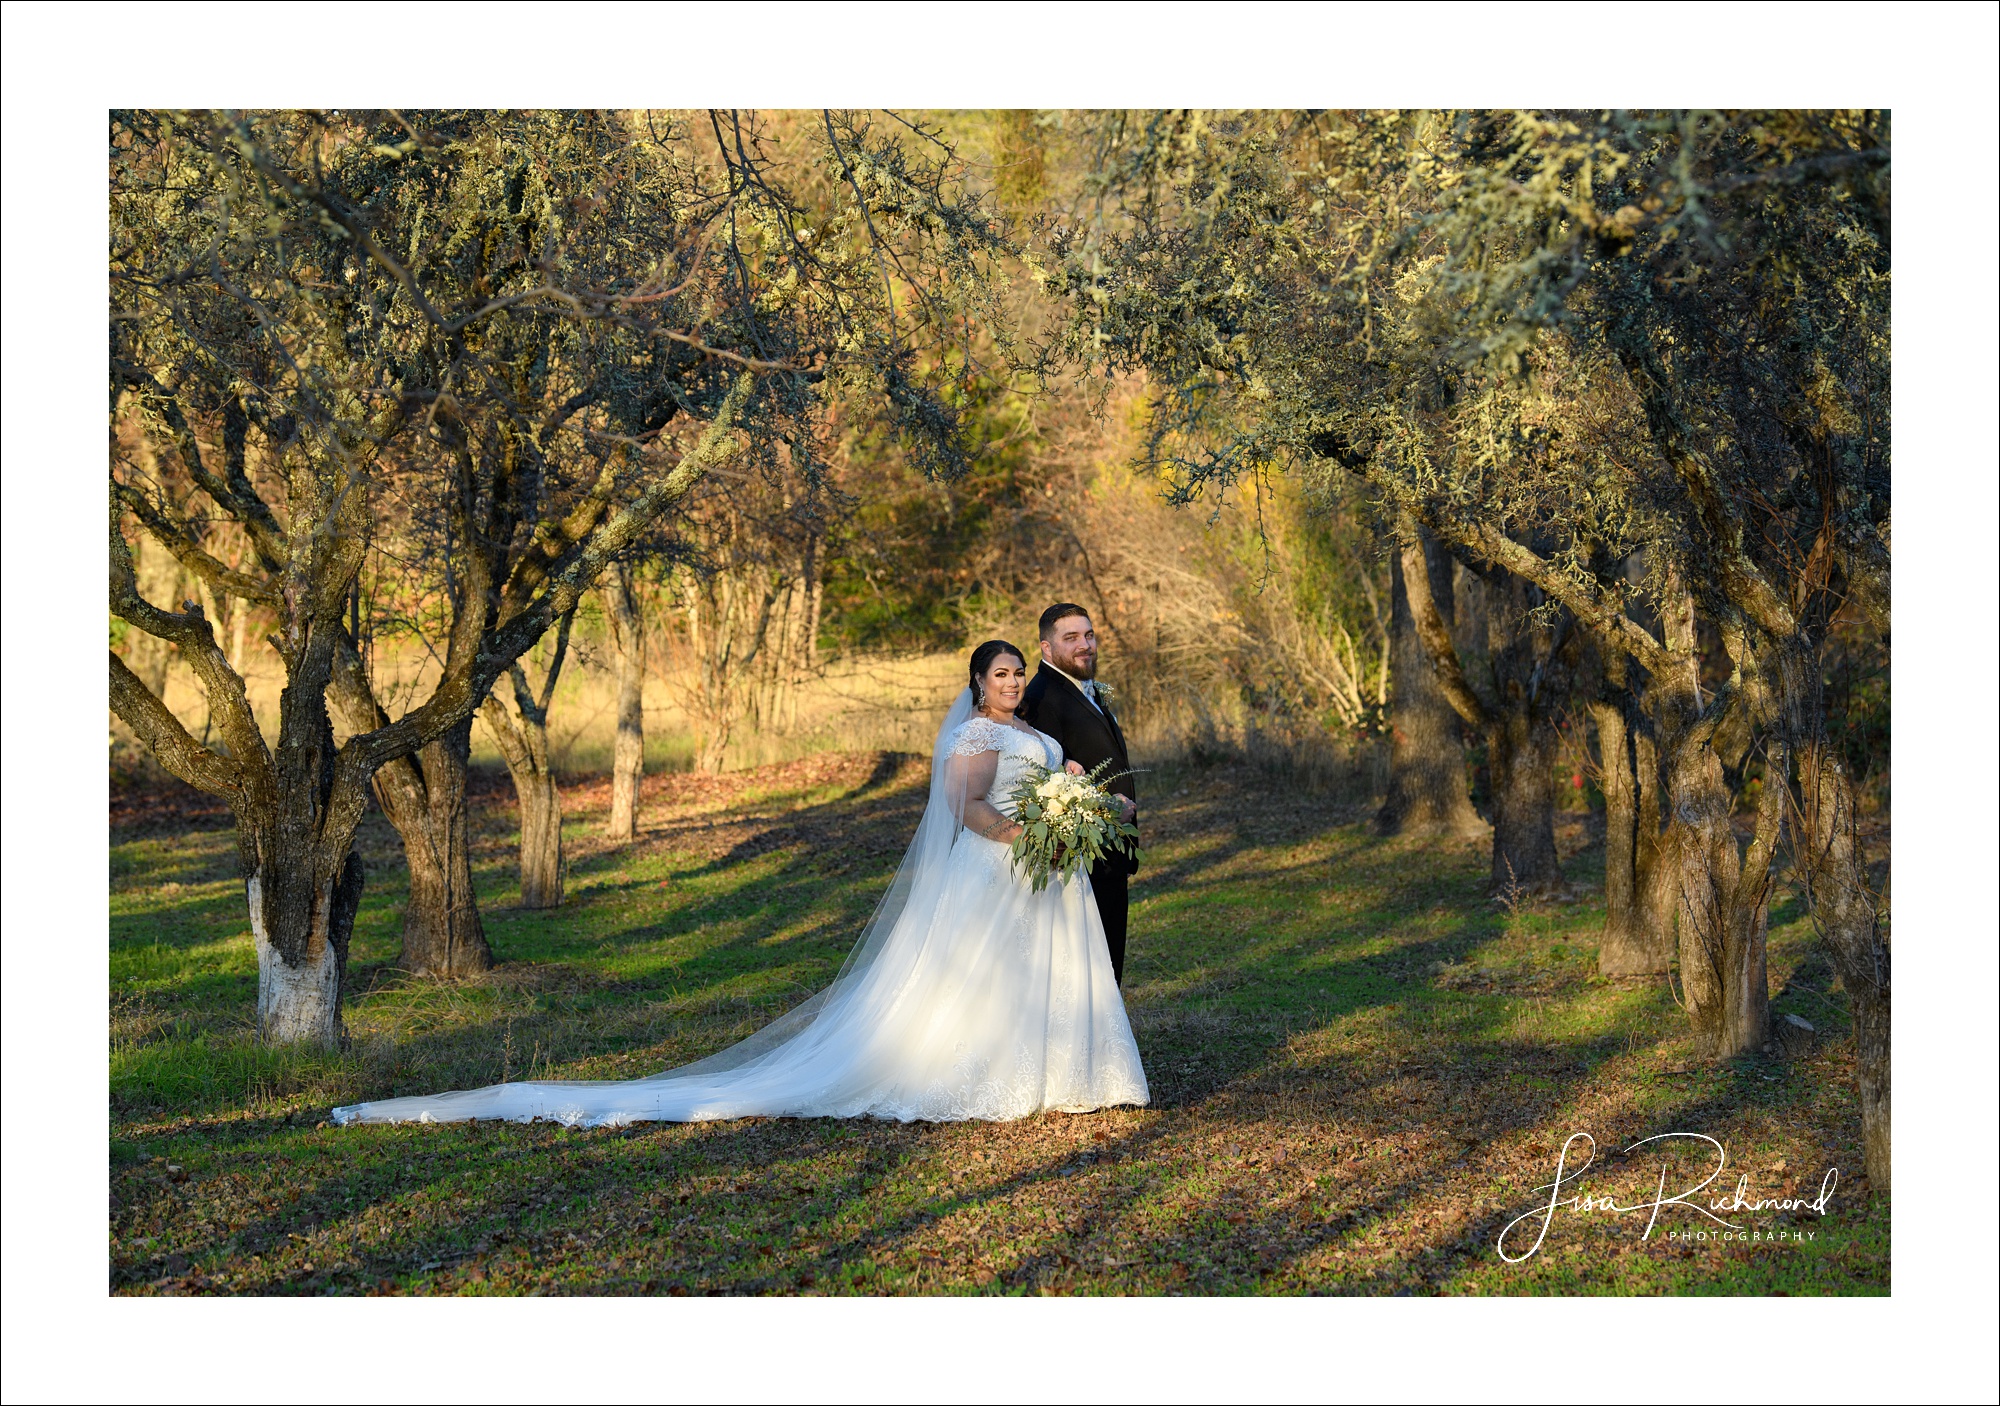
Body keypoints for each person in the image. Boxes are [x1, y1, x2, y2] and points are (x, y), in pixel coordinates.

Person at [331, 640, 1148, 1128]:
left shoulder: (1033, 731)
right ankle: (976, 1075)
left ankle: (1067, 1079)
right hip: (996, 866)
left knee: (1046, 976)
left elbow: (1047, 776)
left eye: (1015, 675)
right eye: (999, 676)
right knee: (982, 980)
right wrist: (1022, 833)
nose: (1009, 685)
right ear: (978, 684)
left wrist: (1067, 792)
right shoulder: (974, 732)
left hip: (1045, 871)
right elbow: (965, 805)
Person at [1018, 603, 1137, 985]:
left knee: (1108, 964)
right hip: (1083, 860)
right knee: (1092, 972)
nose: (1085, 645)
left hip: (1109, 853)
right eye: (1070, 638)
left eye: (1088, 635)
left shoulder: (1082, 686)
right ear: (1046, 649)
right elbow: (1041, 784)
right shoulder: (1041, 699)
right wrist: (1102, 814)